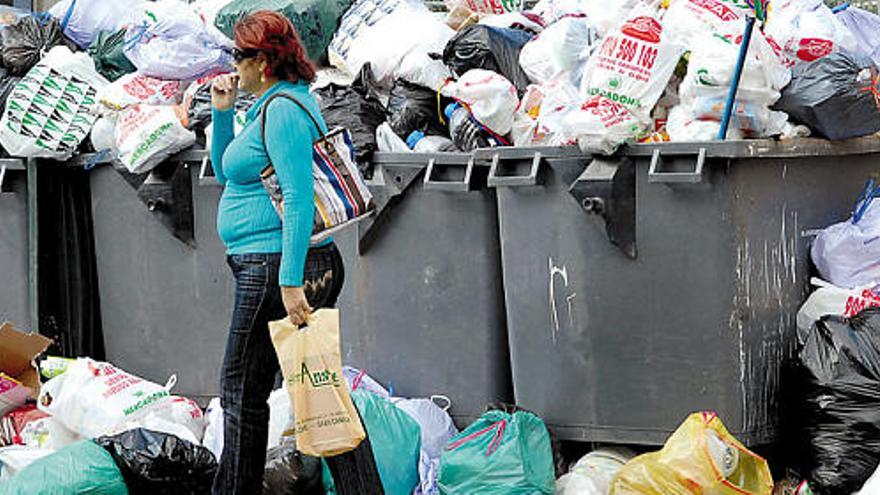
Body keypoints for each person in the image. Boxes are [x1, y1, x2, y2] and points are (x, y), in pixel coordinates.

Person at [209, 11, 347, 494]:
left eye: (238, 56)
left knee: (241, 392)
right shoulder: (265, 106)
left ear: (263, 61)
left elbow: (298, 196)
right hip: (273, 267)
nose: (233, 65)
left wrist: (289, 280)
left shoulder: (285, 110)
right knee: (316, 390)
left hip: (276, 269)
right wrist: (223, 113)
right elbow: (226, 174)